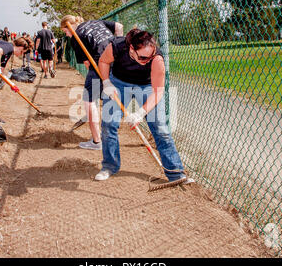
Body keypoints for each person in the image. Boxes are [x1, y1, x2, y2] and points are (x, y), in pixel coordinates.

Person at [95, 28, 194, 184]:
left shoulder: (157, 59)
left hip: (147, 86)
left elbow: (157, 92)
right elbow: (103, 61)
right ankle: (109, 166)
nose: (147, 61)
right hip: (119, 83)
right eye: (142, 57)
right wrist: (106, 82)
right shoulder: (117, 46)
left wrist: (140, 113)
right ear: (131, 49)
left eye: (150, 56)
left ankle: (175, 173)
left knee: (160, 127)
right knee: (109, 124)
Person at [60, 15, 123, 150]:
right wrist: (118, 42)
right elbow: (119, 26)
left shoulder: (76, 38)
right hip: (118, 57)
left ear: (68, 27)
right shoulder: (95, 21)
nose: (66, 34)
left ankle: (96, 141)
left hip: (99, 62)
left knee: (89, 100)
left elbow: (88, 64)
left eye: (65, 31)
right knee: (110, 95)